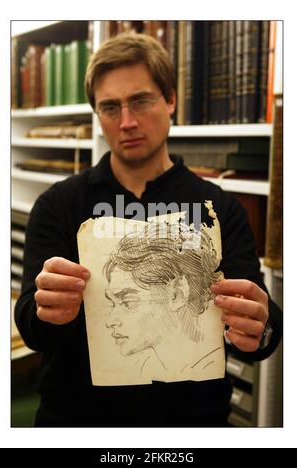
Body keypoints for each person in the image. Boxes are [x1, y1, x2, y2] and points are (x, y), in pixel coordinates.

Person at [15, 32, 282, 427]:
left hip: (192, 424)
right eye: (109, 107)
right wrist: (48, 310)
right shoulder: (58, 205)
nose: (126, 122)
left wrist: (260, 325)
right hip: (78, 421)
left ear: (171, 100)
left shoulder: (218, 208)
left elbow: (261, 326)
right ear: (97, 114)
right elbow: (29, 322)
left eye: (140, 101)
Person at [103, 222, 222, 381]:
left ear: (177, 295)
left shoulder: (208, 365)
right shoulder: (144, 368)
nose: (110, 321)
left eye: (127, 302)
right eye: (113, 303)